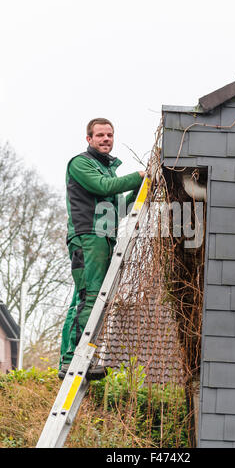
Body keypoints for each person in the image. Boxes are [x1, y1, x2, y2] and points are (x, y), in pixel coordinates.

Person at [58, 118, 145, 379]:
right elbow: (102, 187)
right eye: (100, 135)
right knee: (89, 295)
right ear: (89, 139)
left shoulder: (108, 171)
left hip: (104, 237)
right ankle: (71, 359)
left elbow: (115, 209)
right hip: (87, 236)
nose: (106, 139)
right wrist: (138, 176)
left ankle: (78, 357)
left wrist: (136, 191)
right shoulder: (81, 163)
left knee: (88, 296)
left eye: (109, 135)